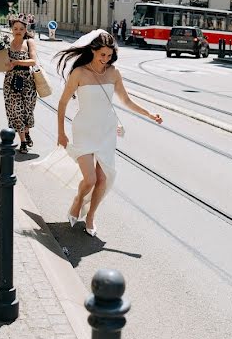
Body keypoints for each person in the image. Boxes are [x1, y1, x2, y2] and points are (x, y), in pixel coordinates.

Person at [55, 30, 163, 236]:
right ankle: (78, 200)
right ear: (93, 51)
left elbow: (126, 101)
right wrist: (61, 132)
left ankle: (91, 216)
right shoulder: (79, 73)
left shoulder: (113, 73)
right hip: (84, 129)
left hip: (106, 130)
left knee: (103, 180)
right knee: (90, 180)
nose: (105, 59)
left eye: (109, 55)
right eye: (102, 54)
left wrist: (149, 113)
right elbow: (62, 102)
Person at [0, 14, 38, 154]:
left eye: (21, 28)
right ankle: (23, 142)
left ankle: (26, 132)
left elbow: (33, 61)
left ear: (26, 29)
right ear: (11, 29)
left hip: (28, 81)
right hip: (11, 81)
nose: (18, 31)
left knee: (27, 111)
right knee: (16, 111)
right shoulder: (6, 43)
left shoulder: (29, 42)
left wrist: (16, 62)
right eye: (15, 28)